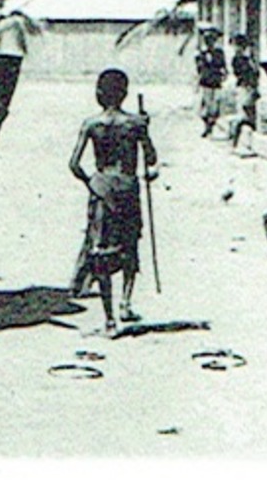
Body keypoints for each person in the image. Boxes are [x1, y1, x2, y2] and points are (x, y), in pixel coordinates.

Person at [67, 69, 159, 337]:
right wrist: (146, 130)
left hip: (102, 187)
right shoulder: (135, 124)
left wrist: (91, 183)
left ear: (99, 94)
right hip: (128, 187)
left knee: (101, 252)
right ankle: (125, 303)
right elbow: (151, 158)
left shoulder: (91, 124)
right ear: (125, 93)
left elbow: (74, 164)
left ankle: (109, 320)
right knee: (130, 245)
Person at [229, 34, 260, 157]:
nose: (239, 48)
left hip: (250, 88)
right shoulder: (237, 60)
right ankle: (235, 143)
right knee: (243, 117)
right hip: (244, 88)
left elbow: (256, 73)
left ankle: (245, 145)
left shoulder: (248, 59)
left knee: (250, 118)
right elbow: (241, 73)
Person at [194, 27, 227, 138]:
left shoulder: (219, 53)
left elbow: (223, 66)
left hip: (216, 82)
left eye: (211, 40)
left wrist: (223, 75)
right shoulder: (202, 54)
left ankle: (210, 127)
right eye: (207, 41)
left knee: (214, 108)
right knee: (204, 109)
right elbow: (199, 69)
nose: (209, 43)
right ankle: (207, 126)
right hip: (206, 82)